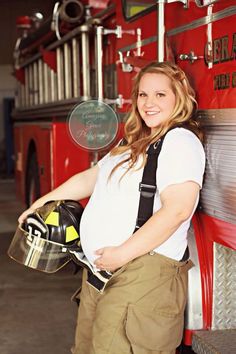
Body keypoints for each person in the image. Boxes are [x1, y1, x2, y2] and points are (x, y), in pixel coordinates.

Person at [18, 61, 205, 354]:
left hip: (141, 273)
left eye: (160, 95)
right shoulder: (135, 139)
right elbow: (91, 178)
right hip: (103, 272)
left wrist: (122, 253)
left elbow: (178, 210)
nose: (148, 103)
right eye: (143, 95)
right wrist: (41, 202)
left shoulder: (180, 141)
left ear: (178, 98)